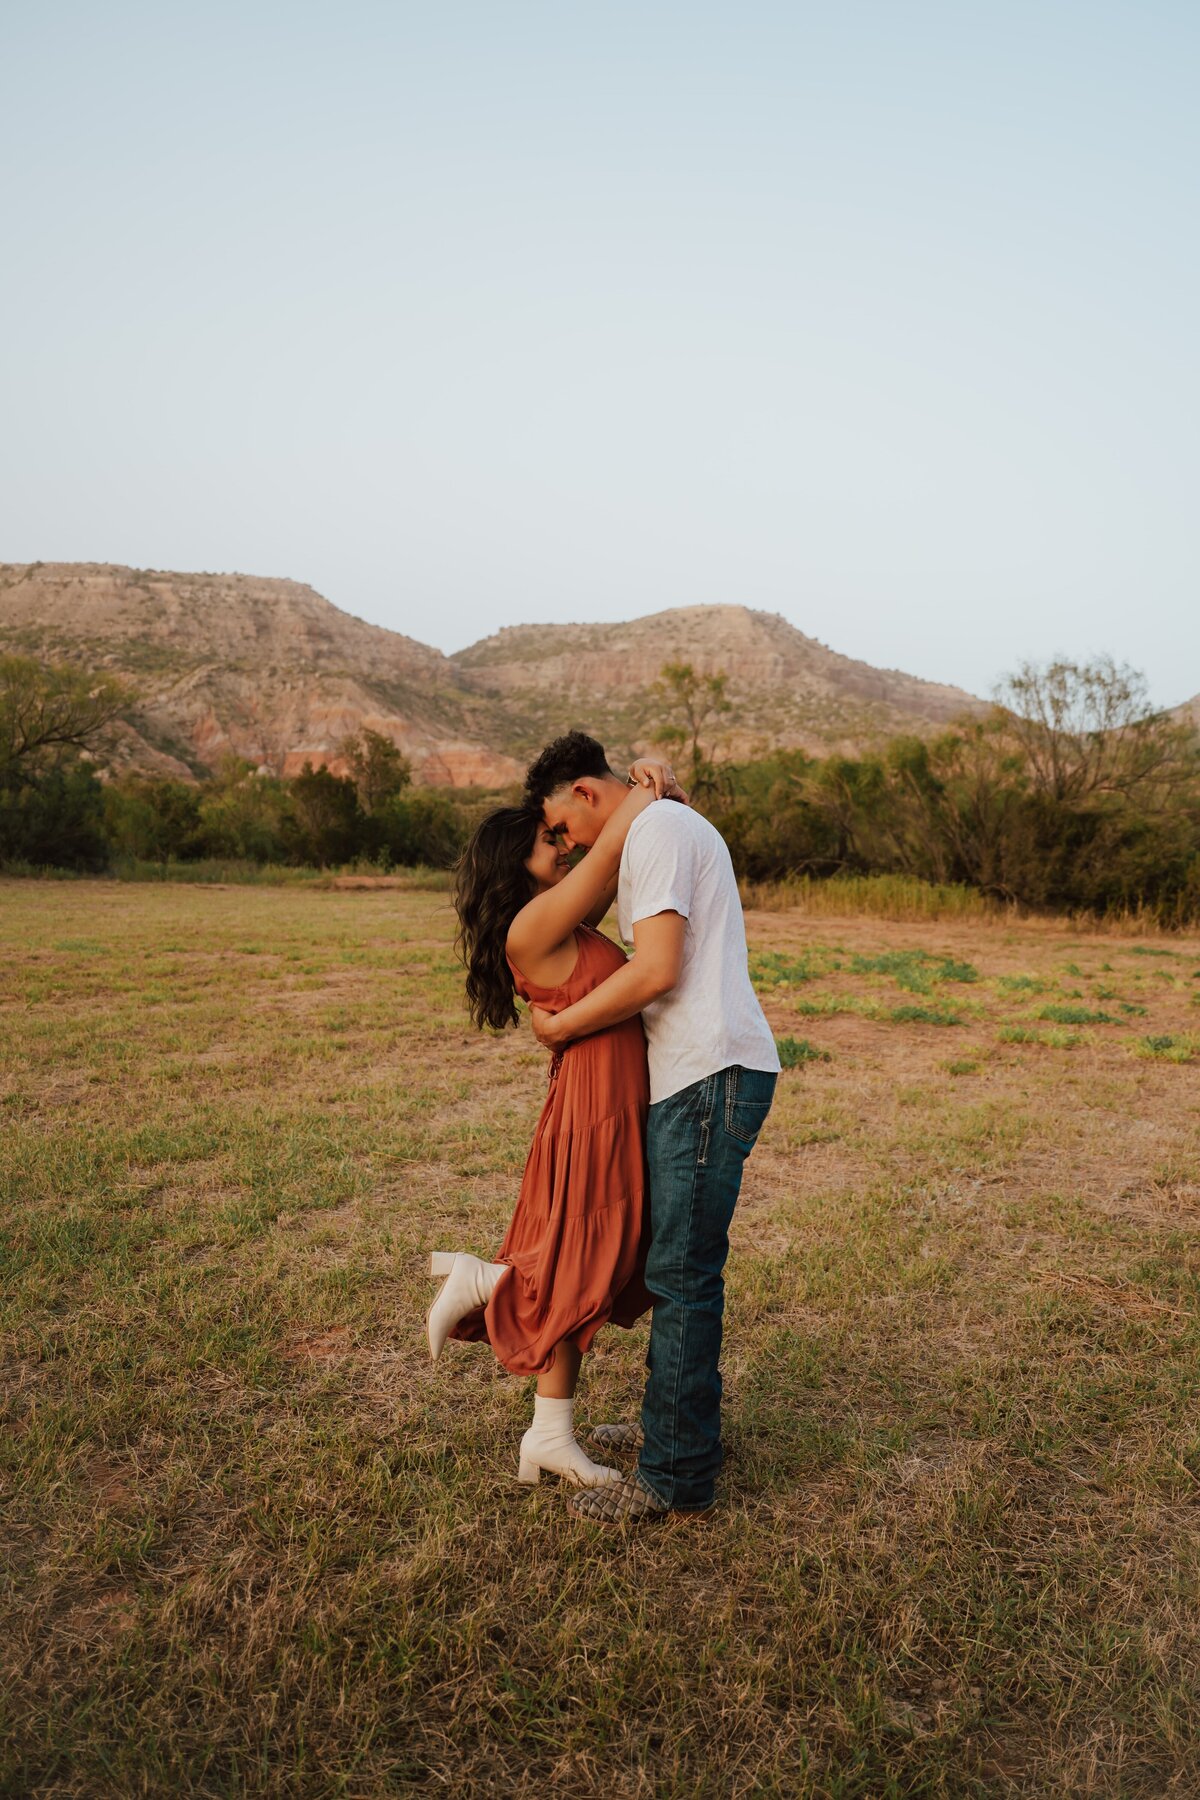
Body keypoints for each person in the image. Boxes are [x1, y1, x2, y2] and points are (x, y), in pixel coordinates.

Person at [524, 731, 780, 1526]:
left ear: (584, 792)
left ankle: (674, 1476)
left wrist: (560, 1027)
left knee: (682, 1277)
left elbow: (657, 968)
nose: (566, 845)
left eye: (561, 827)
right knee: (677, 1271)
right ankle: (674, 1430)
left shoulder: (660, 829)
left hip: (706, 1073)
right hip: (697, 1073)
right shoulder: (655, 824)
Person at [428, 757, 685, 1489]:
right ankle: (491, 1283)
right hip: (593, 1107)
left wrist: (655, 794)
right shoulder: (532, 926)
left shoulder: (558, 918)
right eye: (550, 840)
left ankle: (548, 1433)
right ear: (518, 860)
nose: (565, 845)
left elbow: (612, 870)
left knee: (593, 1256)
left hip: (606, 1099)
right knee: (584, 1257)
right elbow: (608, 855)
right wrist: (644, 787)